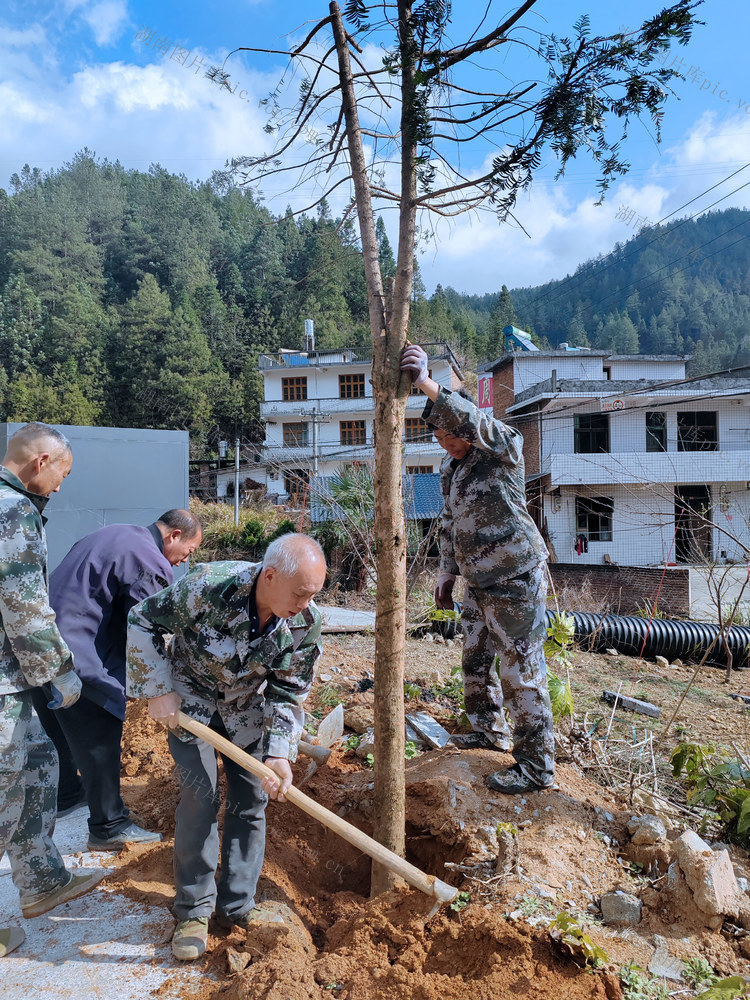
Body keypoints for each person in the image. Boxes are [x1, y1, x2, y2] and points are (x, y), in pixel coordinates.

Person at [126, 532, 326, 962]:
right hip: (189, 703)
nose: (305, 604)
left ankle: (236, 905)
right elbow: (142, 619)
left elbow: (288, 693)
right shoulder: (207, 586)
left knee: (251, 798)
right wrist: (157, 688)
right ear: (269, 576)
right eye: (300, 593)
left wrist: (278, 752)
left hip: (249, 709)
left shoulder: (305, 622)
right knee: (200, 799)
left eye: (313, 595)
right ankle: (194, 911)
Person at [401, 345, 554, 795]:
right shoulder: (453, 470)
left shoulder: (503, 447)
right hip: (477, 580)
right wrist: (446, 571)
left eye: (451, 432)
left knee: (521, 670)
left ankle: (535, 767)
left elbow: (476, 420)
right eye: (437, 436)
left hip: (514, 577)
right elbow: (449, 521)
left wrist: (429, 385)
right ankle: (488, 730)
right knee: (474, 658)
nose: (445, 441)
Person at [31, 509, 203, 851]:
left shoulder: (115, 534)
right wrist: (161, 687)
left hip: (41, 647)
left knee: (60, 728)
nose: (185, 560)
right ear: (174, 536)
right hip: (79, 654)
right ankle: (109, 826)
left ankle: (67, 794)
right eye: (190, 551)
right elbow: (147, 630)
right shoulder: (150, 561)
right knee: (100, 729)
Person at [0, 423, 104, 959]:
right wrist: (61, 676)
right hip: (3, 685)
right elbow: (24, 608)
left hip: (10, 683)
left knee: (38, 768)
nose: (62, 485)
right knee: (3, 792)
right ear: (41, 462)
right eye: (63, 472)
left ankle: (42, 880)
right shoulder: (11, 510)